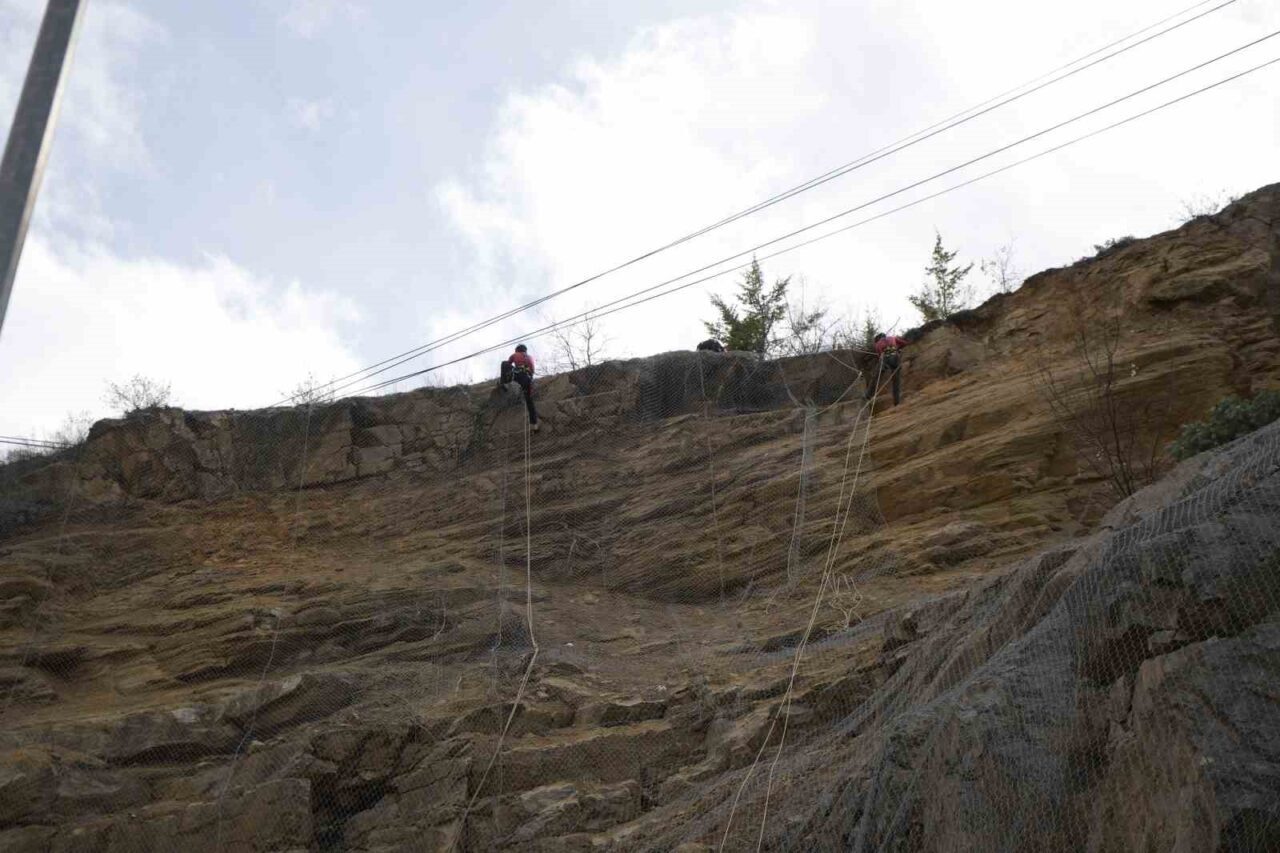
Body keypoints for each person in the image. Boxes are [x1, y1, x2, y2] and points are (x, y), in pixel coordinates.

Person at [865, 332, 910, 406]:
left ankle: (868, 394)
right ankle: (897, 402)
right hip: (895, 358)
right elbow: (904, 343)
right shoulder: (893, 338)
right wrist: (897, 348)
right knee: (896, 381)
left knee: (876, 377)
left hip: (885, 359)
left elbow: (880, 355)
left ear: (877, 339)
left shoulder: (878, 344)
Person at [508, 343, 540, 431]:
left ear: (517, 350)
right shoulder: (530, 357)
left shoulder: (515, 355)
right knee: (529, 401)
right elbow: (532, 370)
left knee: (503, 364)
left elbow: (508, 364)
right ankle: (534, 424)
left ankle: (505, 383)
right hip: (528, 379)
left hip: (518, 376)